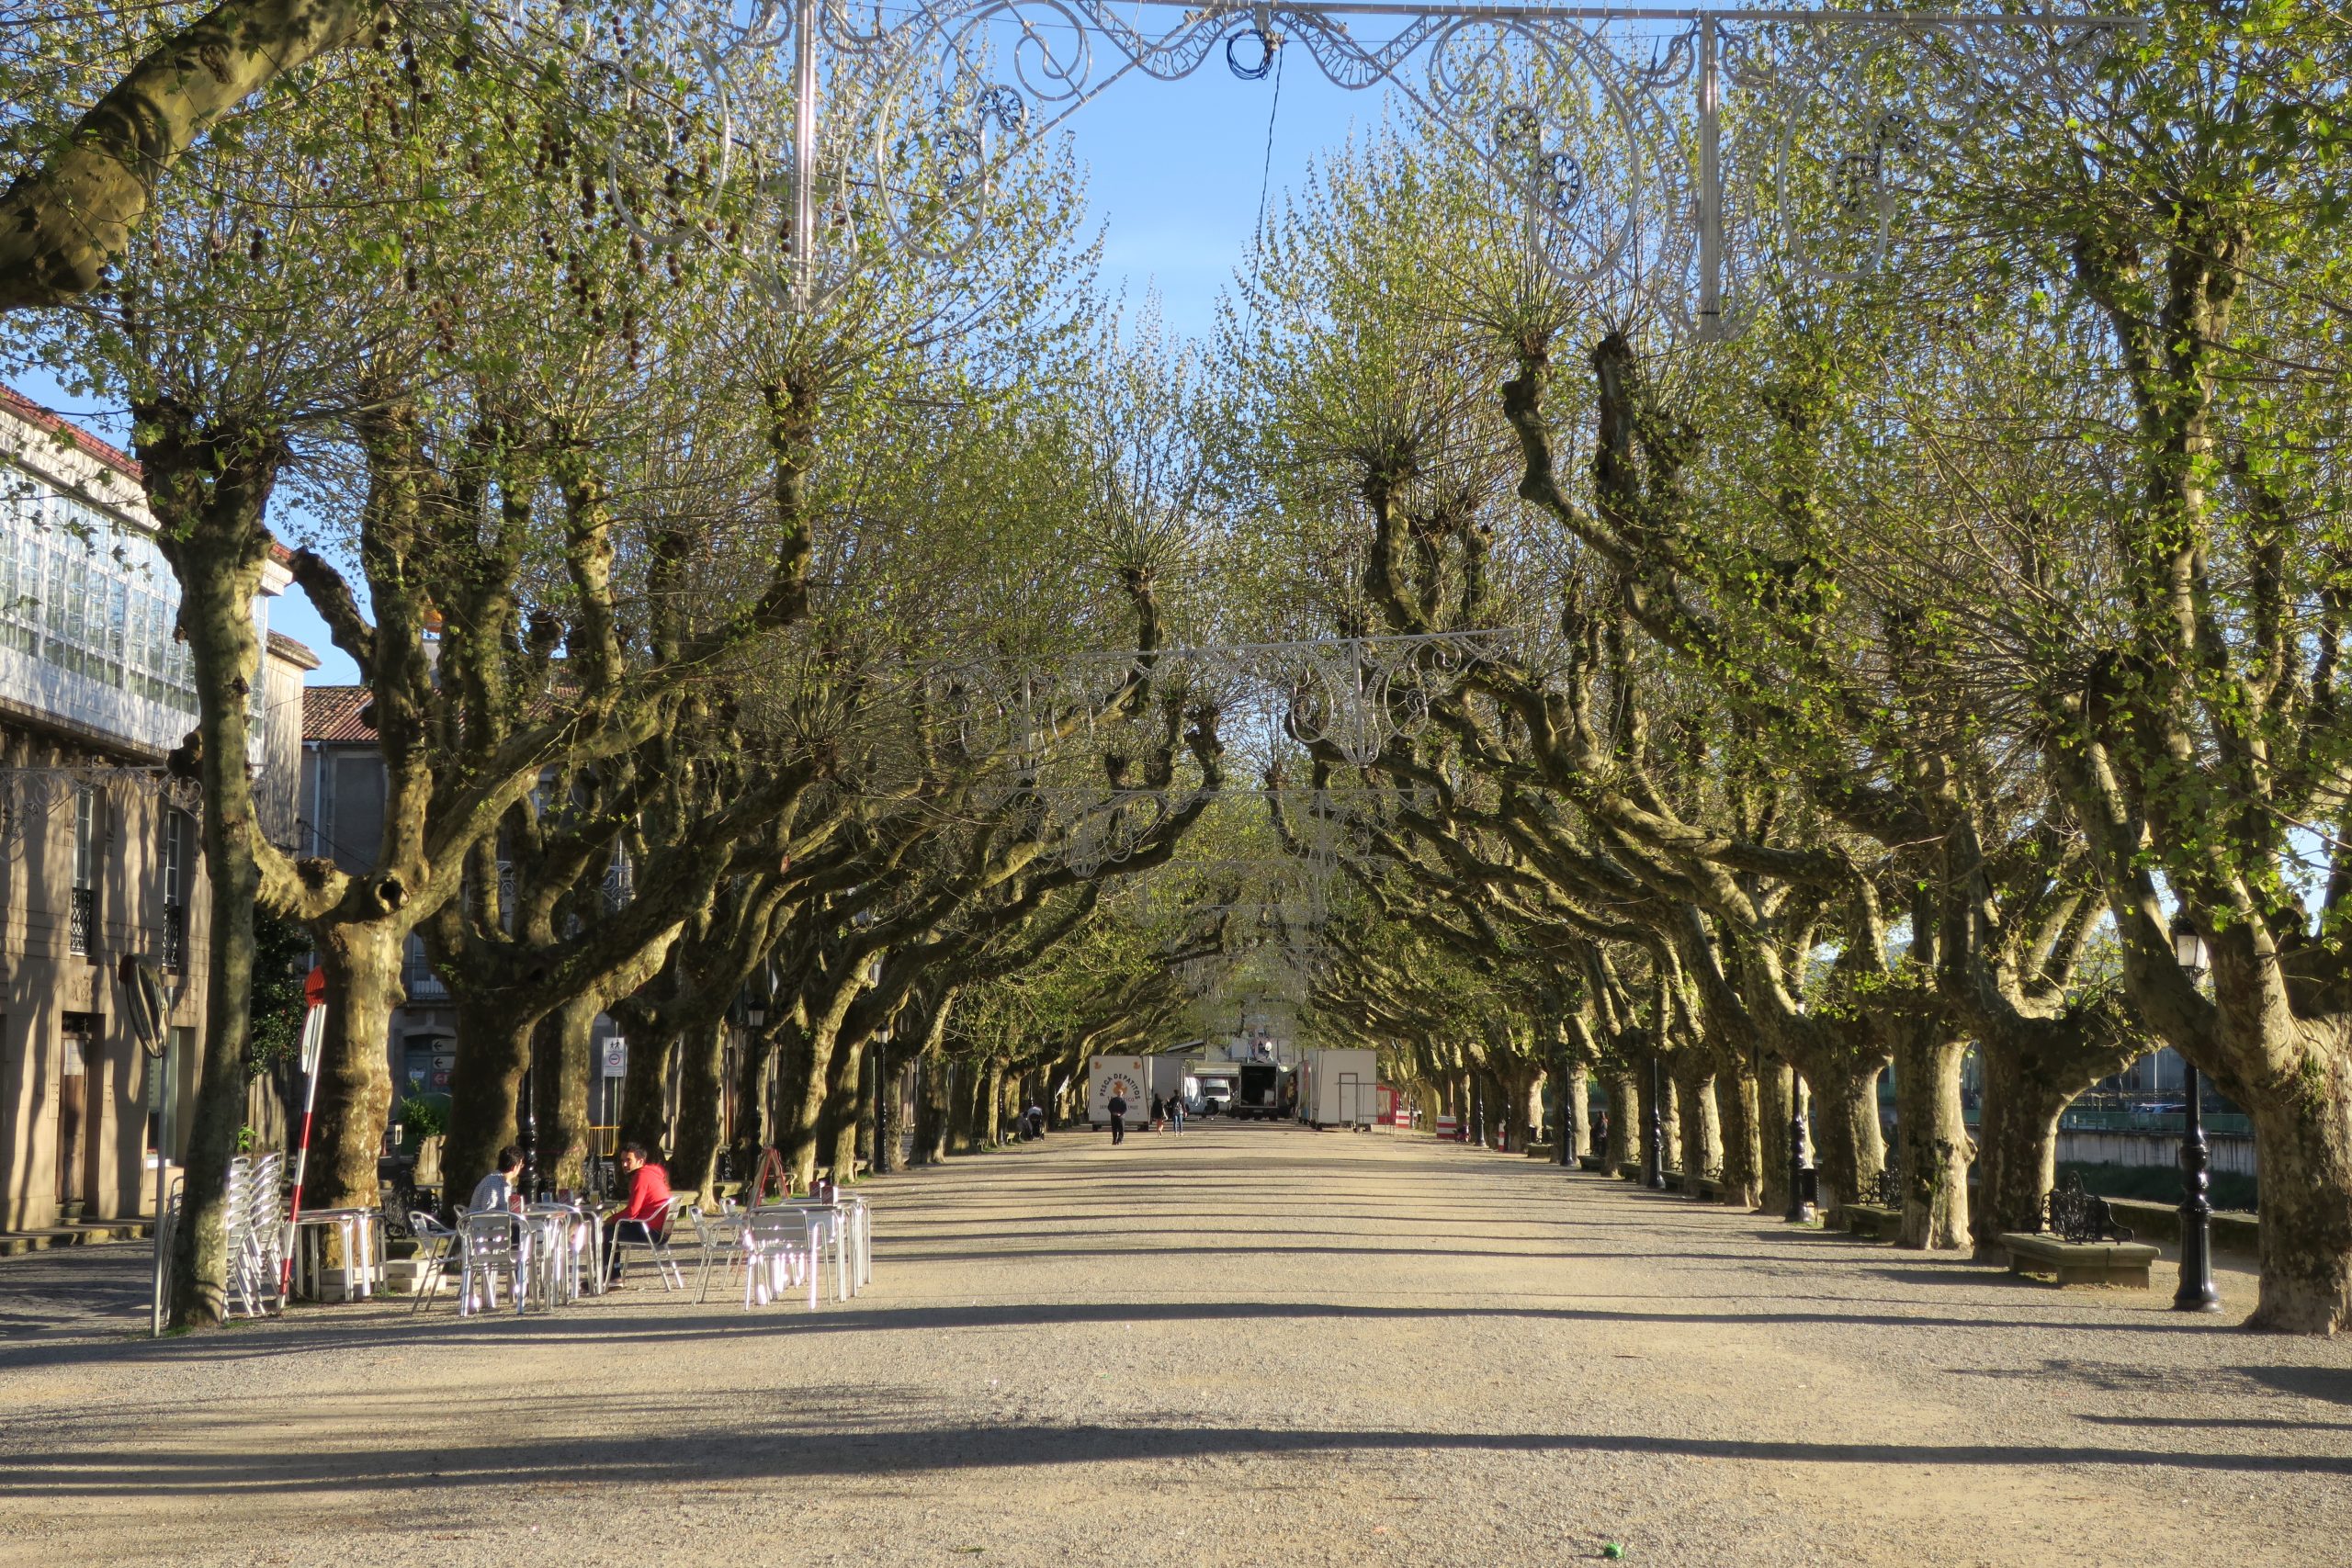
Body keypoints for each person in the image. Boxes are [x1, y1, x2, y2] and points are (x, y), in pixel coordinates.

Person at [602, 1142, 673, 1285]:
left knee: (606, 1231)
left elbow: (632, 1212)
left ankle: (611, 1276)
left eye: (629, 1160)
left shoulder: (641, 1177)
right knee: (612, 1229)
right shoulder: (653, 1174)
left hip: (650, 1231)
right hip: (662, 1229)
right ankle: (609, 1275)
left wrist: (611, 1219)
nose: (625, 1165)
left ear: (640, 1161)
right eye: (622, 1161)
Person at [469, 1146, 525, 1213]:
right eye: (521, 1165)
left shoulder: (506, 1182)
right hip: (481, 1223)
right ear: (514, 1167)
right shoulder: (492, 1183)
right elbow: (488, 1213)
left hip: (499, 1221)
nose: (521, 1168)